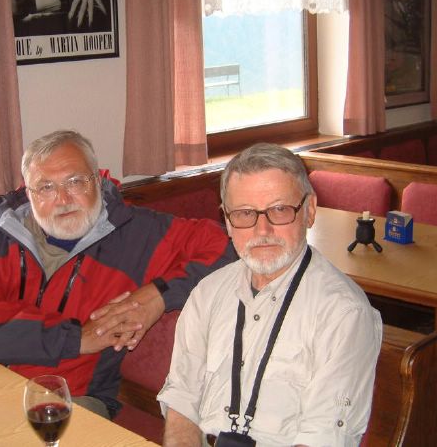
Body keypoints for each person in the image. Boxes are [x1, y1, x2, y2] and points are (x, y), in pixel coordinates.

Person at [0, 130, 237, 419]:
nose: (62, 199)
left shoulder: (137, 233)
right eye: (45, 187)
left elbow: (228, 246)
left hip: (73, 400)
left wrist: (158, 295)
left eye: (75, 182)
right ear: (28, 193)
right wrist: (76, 339)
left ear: (97, 179)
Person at [158, 143, 383, 446]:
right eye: (244, 213)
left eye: (279, 210)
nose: (262, 230)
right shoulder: (207, 293)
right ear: (227, 221)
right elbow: (181, 399)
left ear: (309, 211)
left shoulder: (343, 313)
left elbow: (321, 439)